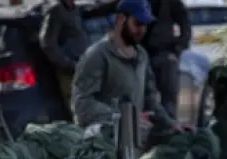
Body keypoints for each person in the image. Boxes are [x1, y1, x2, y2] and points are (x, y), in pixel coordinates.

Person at [71, 0, 185, 133]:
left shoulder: (141, 55)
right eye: (137, 24)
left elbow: (150, 100)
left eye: (145, 25)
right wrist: (121, 117)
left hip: (132, 141)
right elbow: (81, 104)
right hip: (103, 142)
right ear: (121, 20)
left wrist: (171, 124)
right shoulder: (97, 55)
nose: (142, 30)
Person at [141, 0, 191, 119]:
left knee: (168, 100)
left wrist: (178, 49)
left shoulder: (170, 3)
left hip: (164, 55)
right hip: (142, 55)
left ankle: (168, 131)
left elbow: (185, 24)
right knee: (143, 98)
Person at [39, 0, 91, 112]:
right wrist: (67, 63)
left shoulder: (74, 9)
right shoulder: (56, 11)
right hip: (69, 72)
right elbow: (48, 44)